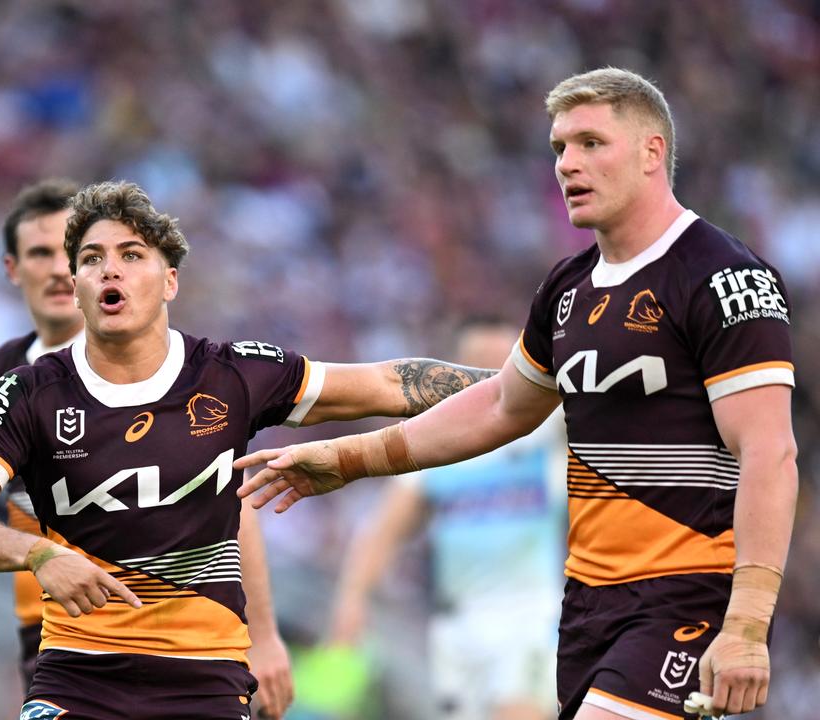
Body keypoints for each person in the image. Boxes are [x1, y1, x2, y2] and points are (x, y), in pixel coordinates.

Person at [237, 67, 797, 720]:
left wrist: (748, 626)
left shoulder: (724, 276)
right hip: (587, 608)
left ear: (653, 153)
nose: (567, 164)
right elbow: (504, 406)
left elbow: (770, 452)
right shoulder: (567, 291)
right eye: (559, 147)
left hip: (683, 598)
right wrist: (348, 459)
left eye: (591, 143)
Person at [0, 180, 494, 720]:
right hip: (75, 680)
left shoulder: (232, 375)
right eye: (91, 259)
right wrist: (40, 556)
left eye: (132, 254)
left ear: (170, 281)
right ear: (79, 284)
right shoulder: (27, 391)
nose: (109, 269)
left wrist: (528, 384)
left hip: (204, 682)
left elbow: (389, 385)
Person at [0, 178, 296, 718]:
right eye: (47, 254)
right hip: (58, 635)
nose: (61, 269)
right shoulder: (2, 383)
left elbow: (229, 503)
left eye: (123, 255)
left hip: (189, 652)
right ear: (13, 270)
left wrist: (263, 634)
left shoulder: (183, 372)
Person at [328, 317, 566, 720]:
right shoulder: (437, 444)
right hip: (458, 624)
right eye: (479, 363)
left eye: (503, 363)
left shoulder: (550, 432)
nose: (492, 376)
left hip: (532, 612)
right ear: (456, 368)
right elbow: (383, 530)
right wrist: (352, 600)